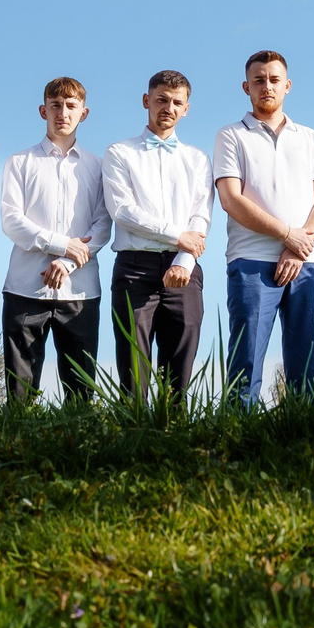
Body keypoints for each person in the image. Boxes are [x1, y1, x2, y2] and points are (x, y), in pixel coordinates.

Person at [213, 50, 314, 407]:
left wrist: (299, 246)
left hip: (309, 264)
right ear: (246, 87)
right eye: (259, 80)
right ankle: (238, 442)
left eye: (274, 79)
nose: (267, 86)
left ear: (287, 85)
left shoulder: (310, 137)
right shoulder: (231, 135)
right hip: (251, 263)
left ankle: (300, 443)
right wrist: (287, 235)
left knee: (305, 365)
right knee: (245, 362)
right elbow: (231, 200)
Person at [101, 70, 213, 402]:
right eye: (162, 99)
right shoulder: (120, 153)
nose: (169, 107)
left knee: (180, 360)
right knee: (133, 362)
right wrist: (179, 237)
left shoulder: (198, 159)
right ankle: (133, 432)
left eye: (177, 102)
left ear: (187, 108)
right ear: (146, 101)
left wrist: (184, 259)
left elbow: (201, 216)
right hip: (135, 267)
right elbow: (123, 211)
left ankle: (173, 433)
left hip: (184, 270)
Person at [0, 76, 110, 405]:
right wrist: (61, 245)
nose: (63, 112)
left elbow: (103, 225)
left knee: (80, 391)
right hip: (24, 288)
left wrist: (67, 261)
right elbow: (12, 221)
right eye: (56, 105)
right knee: (19, 391)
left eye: (71, 106)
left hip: (80, 291)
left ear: (84, 113)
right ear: (42, 110)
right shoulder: (19, 162)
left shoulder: (98, 167)